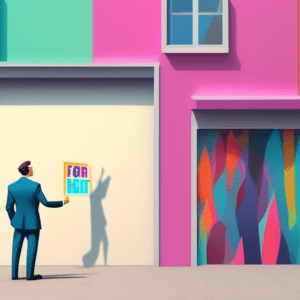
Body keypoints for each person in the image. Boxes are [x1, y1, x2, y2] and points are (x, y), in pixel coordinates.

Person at [6, 161, 70, 280]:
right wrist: (62, 202)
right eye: (31, 168)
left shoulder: (11, 186)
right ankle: (29, 275)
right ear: (28, 170)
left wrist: (13, 220)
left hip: (18, 223)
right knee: (31, 249)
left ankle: (14, 275)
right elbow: (46, 203)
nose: (33, 170)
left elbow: (8, 207)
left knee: (16, 248)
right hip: (33, 223)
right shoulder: (35, 186)